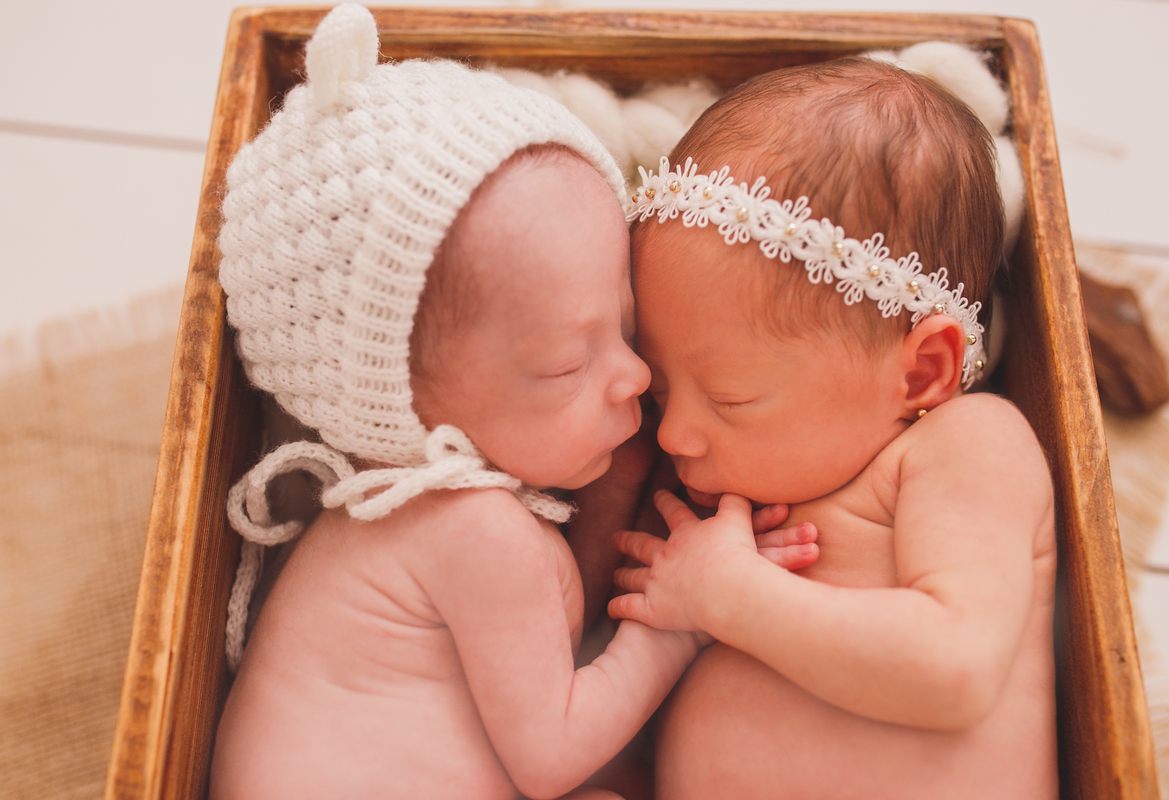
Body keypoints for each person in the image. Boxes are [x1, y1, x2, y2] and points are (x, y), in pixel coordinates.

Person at [208, 6, 815, 800]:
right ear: (407, 408)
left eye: (627, 324)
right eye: (566, 367)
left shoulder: (413, 522)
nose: (635, 375)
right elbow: (553, 753)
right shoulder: (476, 530)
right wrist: (687, 623)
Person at [611, 57, 1058, 800]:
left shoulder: (966, 444)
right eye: (659, 391)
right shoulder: (729, 504)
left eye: (730, 398)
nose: (673, 433)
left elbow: (957, 669)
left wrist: (729, 595)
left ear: (920, 373)